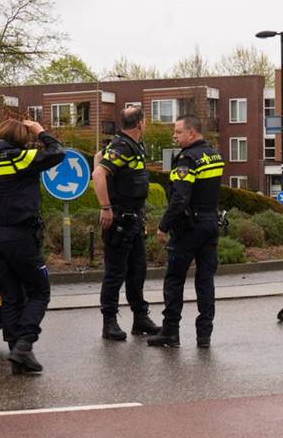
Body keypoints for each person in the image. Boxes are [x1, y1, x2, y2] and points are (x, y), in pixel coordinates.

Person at [0, 118, 66, 373]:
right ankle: (25, 343)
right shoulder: (19, 158)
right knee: (39, 292)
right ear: (20, 139)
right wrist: (41, 132)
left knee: (11, 297)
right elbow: (58, 153)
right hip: (21, 237)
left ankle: (18, 355)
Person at [147, 114, 224, 349]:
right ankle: (204, 335)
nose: (174, 135)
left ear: (191, 133)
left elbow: (180, 198)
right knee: (205, 280)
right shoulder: (214, 155)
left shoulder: (186, 159)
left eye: (178, 132)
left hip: (189, 228)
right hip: (211, 224)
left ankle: (170, 332)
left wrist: (164, 225)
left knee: (174, 279)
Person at [93, 105, 160, 341]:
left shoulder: (132, 145)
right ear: (141, 123)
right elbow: (99, 173)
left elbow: (98, 158)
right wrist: (106, 207)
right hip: (120, 219)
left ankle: (140, 318)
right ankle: (109, 322)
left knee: (137, 271)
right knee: (115, 273)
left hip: (134, 220)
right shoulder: (122, 146)